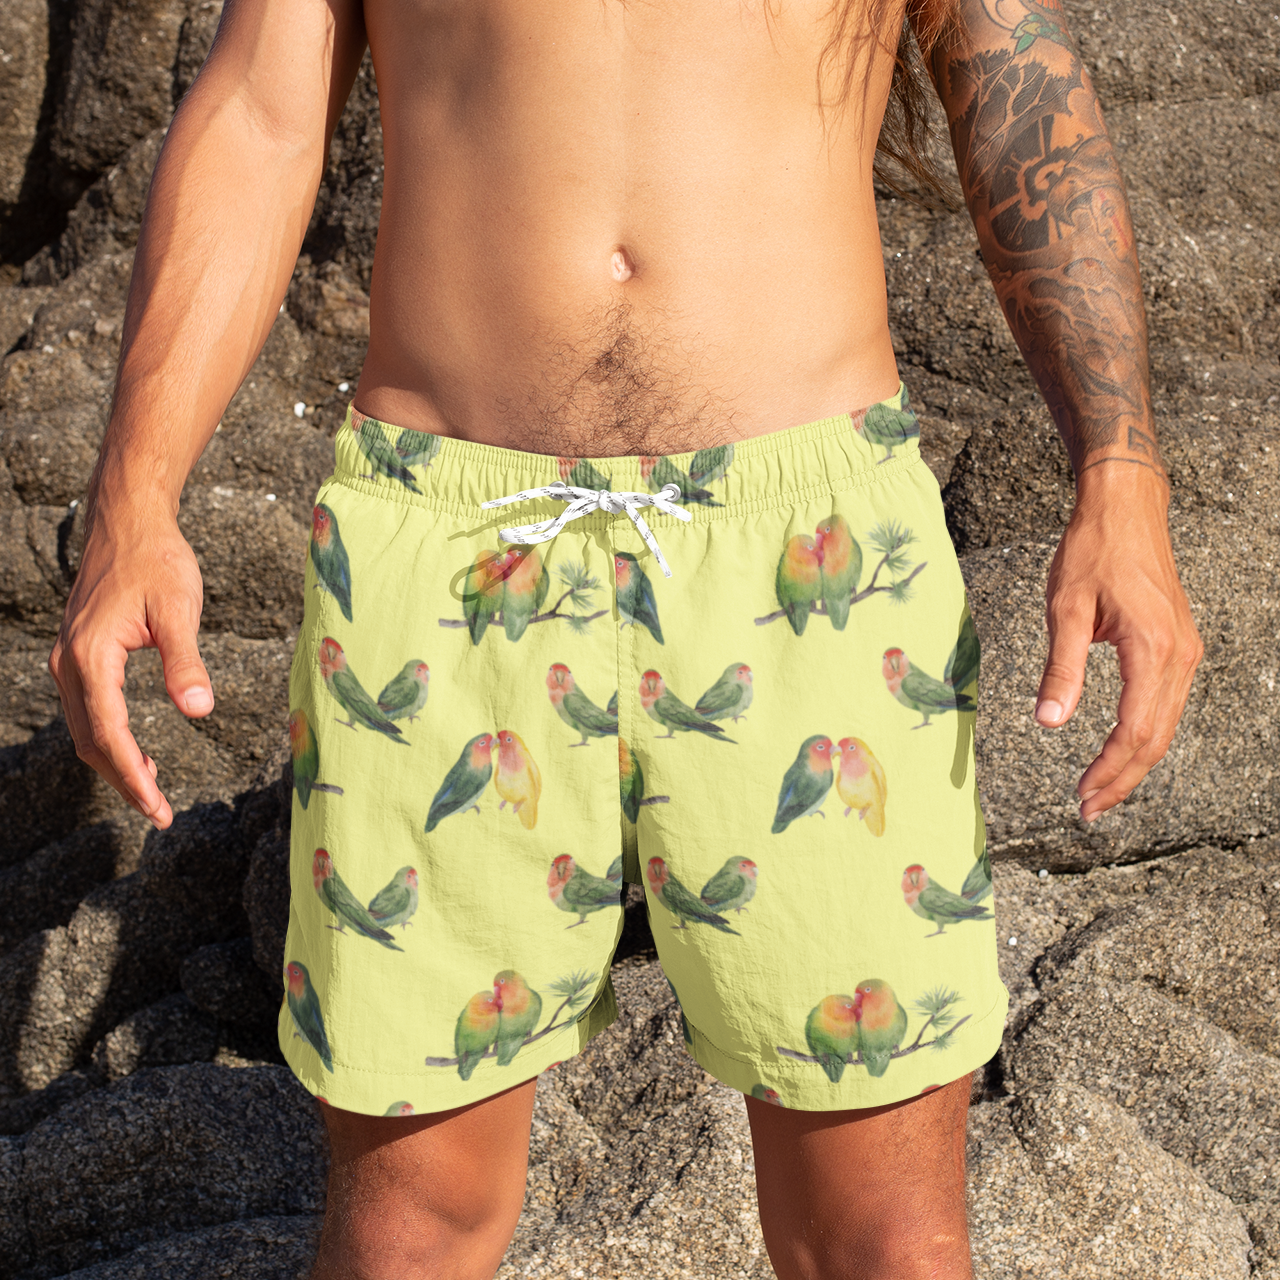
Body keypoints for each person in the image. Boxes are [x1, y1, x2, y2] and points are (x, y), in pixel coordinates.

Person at [49, 0, 1202, 1274]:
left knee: (883, 1235)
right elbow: (262, 114)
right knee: (405, 1225)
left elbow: (1013, 79)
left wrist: (1120, 476)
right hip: (442, 544)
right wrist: (134, 500)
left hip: (809, 560)